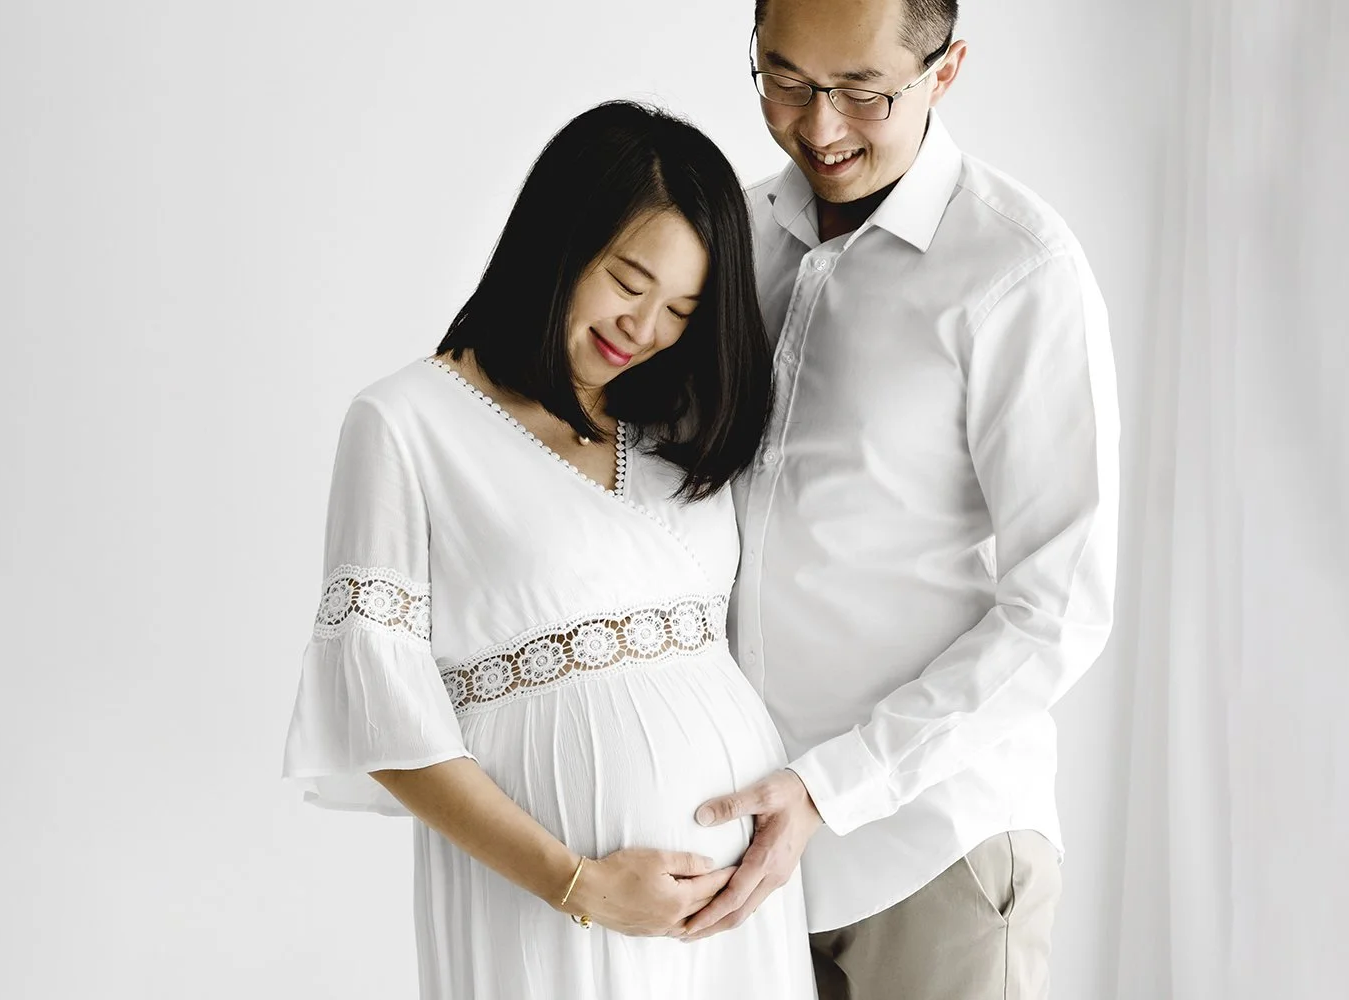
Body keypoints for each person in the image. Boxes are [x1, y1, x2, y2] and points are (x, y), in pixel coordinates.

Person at [282, 100, 816, 1000]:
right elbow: (381, 720)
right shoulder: (407, 423)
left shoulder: (676, 420)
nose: (644, 328)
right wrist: (583, 887)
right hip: (546, 905)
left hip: (740, 918)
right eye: (627, 280)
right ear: (559, 241)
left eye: (682, 307)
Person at [686, 2, 1121, 998]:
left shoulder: (1019, 271)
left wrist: (831, 786)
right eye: (785, 82)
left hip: (931, 854)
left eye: (865, 94)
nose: (821, 127)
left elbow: (1060, 606)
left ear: (948, 68)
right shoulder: (732, 236)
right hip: (734, 857)